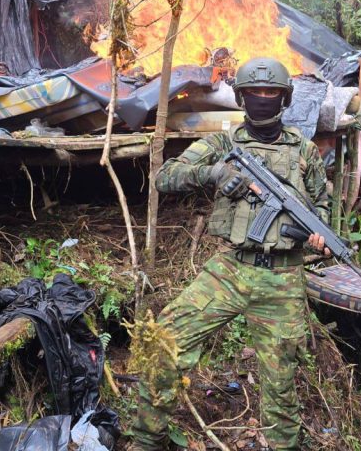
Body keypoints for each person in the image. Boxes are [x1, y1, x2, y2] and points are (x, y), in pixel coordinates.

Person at [131, 57, 331, 450]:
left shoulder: (305, 152)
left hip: (283, 277)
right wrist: (214, 173)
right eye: (254, 92)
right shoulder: (223, 143)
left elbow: (322, 208)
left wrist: (317, 236)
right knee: (166, 344)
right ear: (241, 97)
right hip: (229, 268)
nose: (262, 99)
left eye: (270, 92)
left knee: (281, 384)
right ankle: (146, 439)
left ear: (284, 99)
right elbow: (165, 176)